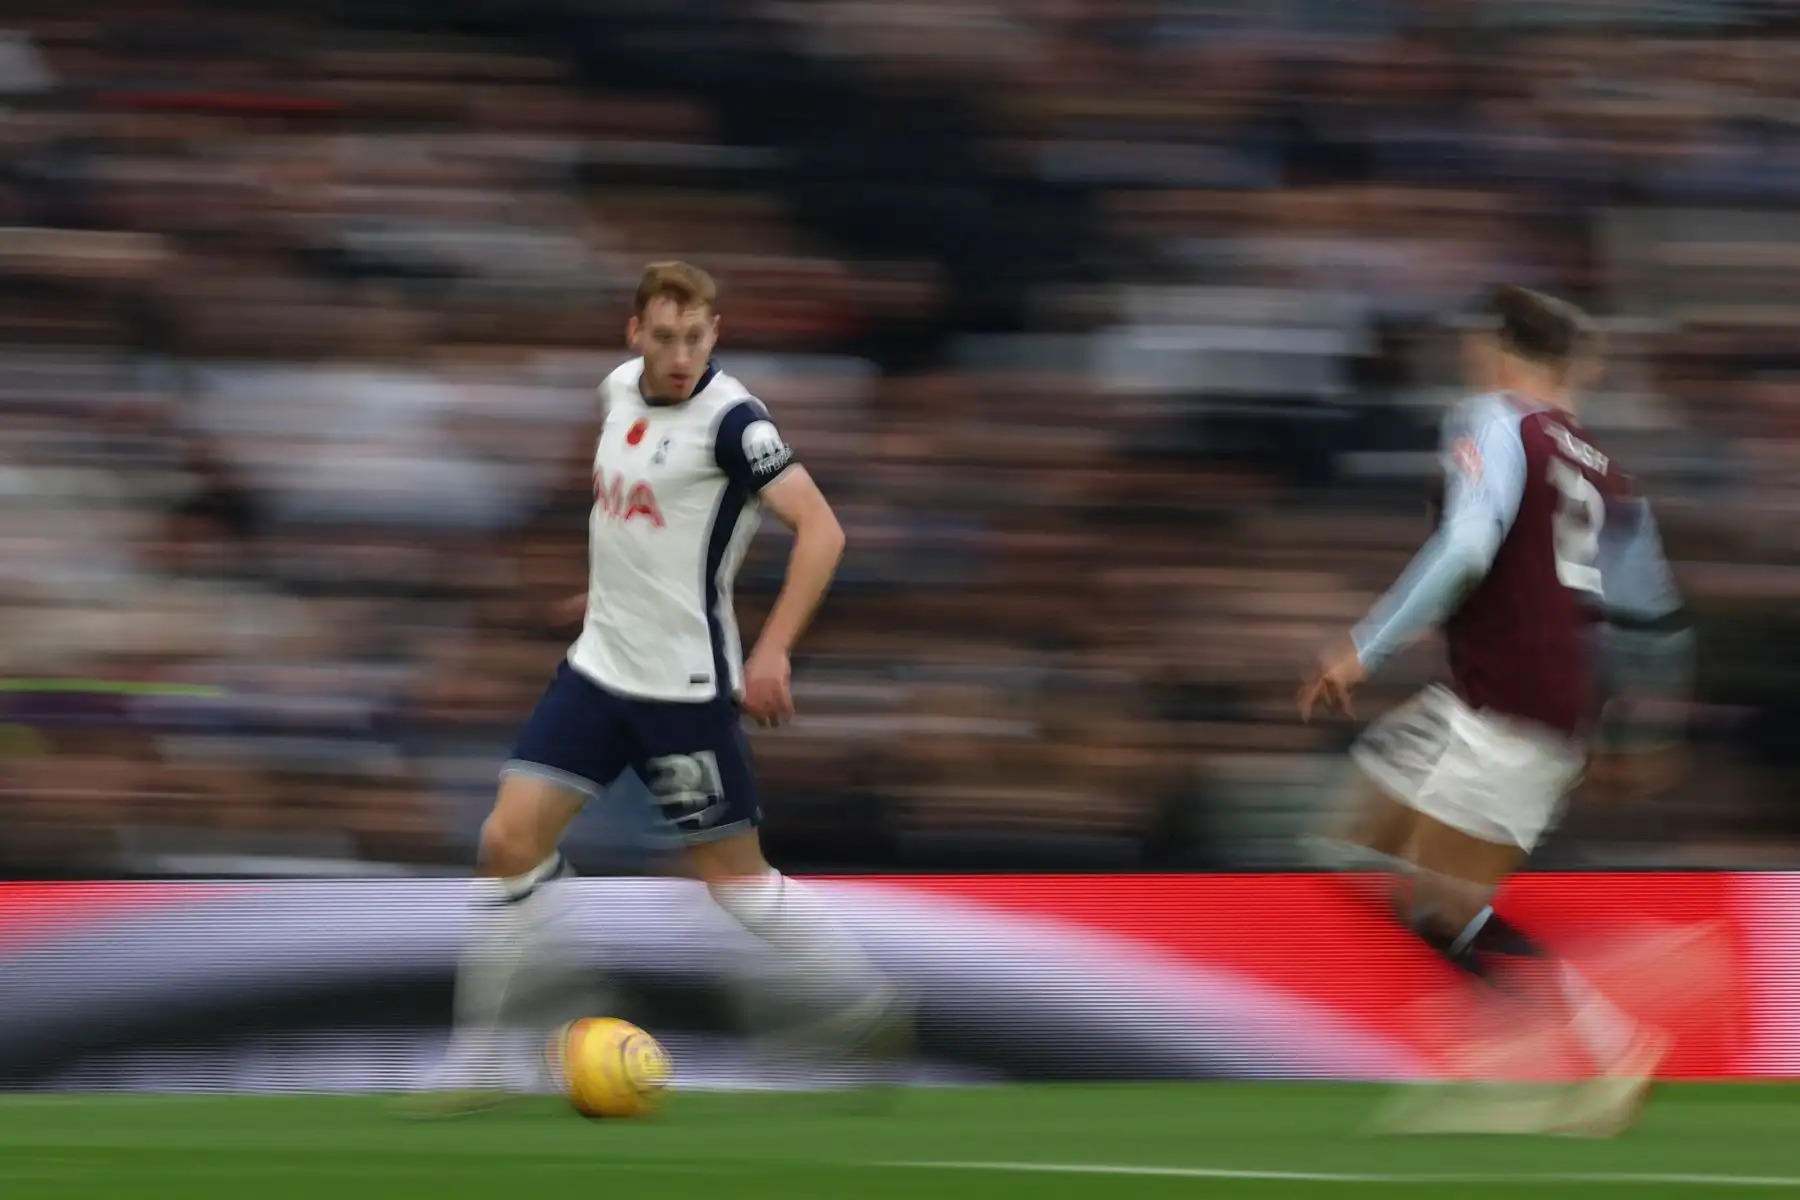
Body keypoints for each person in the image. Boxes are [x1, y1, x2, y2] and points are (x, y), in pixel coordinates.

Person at [413, 261, 904, 1115]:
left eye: (697, 338)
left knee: (737, 884)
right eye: (666, 337)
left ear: (714, 335)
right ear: (632, 333)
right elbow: (636, 521)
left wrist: (774, 652)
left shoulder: (735, 426)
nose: (681, 355)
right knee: (505, 841)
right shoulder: (617, 393)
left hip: (681, 690)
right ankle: (483, 1057)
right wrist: (605, 596)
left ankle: (860, 999)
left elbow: (822, 530)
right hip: (599, 670)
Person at [1300, 285, 1693, 1136]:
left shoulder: (1492, 419)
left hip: (1500, 701)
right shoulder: (1605, 468)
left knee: (1417, 895)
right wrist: (1642, 729)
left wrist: (1364, 646)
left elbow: (1468, 548)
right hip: (1547, 706)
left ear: (1501, 346)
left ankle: (1597, 1032)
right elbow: (1654, 615)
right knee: (1372, 848)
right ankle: (1538, 1030)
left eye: (1481, 344)